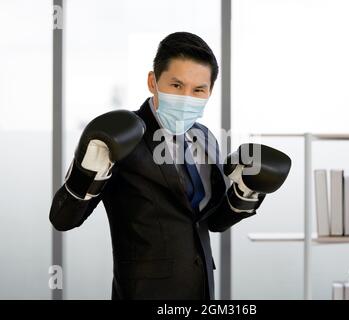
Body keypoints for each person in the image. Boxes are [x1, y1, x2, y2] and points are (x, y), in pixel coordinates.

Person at [49, 31, 291, 300]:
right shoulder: (122, 138)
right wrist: (88, 168)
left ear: (210, 91)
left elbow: (213, 222)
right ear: (153, 81)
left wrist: (245, 190)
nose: (187, 97)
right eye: (176, 85)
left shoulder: (206, 138)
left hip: (202, 290)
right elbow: (63, 219)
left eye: (199, 89)